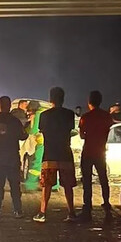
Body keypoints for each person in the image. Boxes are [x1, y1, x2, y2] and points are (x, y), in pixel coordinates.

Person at [33, 87, 78, 223]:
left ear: (50, 99)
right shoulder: (69, 114)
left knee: (46, 185)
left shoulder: (44, 115)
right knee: (68, 185)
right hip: (65, 153)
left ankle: (42, 213)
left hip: (49, 154)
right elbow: (71, 130)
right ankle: (71, 213)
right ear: (63, 99)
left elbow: (41, 131)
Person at [0, 96, 29, 218]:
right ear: (9, 106)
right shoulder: (15, 121)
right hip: (13, 157)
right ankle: (17, 210)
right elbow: (23, 136)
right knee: (15, 185)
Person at [78, 91, 114, 221]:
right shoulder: (107, 116)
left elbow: (82, 135)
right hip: (100, 152)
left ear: (89, 102)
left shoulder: (85, 117)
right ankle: (107, 206)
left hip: (88, 152)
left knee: (87, 182)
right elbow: (108, 130)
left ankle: (87, 209)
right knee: (103, 179)